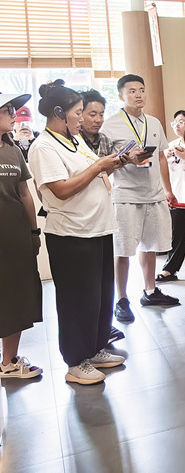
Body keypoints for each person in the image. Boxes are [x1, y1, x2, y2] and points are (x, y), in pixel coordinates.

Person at [28, 81, 126, 385]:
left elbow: (91, 174)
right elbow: (61, 189)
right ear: (59, 112)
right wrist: (98, 167)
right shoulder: (44, 146)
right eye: (79, 112)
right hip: (70, 234)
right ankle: (75, 361)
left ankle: (95, 349)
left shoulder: (75, 140)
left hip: (97, 228)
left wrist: (114, 164)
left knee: (100, 296)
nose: (83, 118)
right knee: (76, 301)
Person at [101, 74, 179, 324]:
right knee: (123, 249)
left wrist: (167, 189)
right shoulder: (110, 126)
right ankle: (122, 299)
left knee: (151, 246)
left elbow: (162, 157)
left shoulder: (153, 122)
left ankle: (150, 291)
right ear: (121, 95)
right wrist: (125, 159)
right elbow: (103, 165)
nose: (138, 95)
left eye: (142, 90)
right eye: (132, 91)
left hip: (153, 194)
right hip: (126, 195)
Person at [0, 90, 44, 380]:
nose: (13, 114)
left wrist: (33, 231)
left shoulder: (12, 149)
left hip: (15, 234)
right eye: (7, 110)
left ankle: (9, 362)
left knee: (15, 296)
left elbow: (25, 193)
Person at [79, 89, 126, 345]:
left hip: (103, 209)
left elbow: (106, 173)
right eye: (91, 114)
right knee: (87, 281)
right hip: (81, 214)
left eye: (101, 114)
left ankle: (103, 329)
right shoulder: (73, 141)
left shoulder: (104, 139)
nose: (97, 119)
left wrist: (122, 162)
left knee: (104, 278)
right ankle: (90, 336)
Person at [157, 110, 185, 282]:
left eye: (182, 122)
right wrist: (167, 191)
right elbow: (163, 170)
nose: (177, 126)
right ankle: (170, 269)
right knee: (176, 236)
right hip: (177, 197)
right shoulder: (170, 145)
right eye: (175, 122)